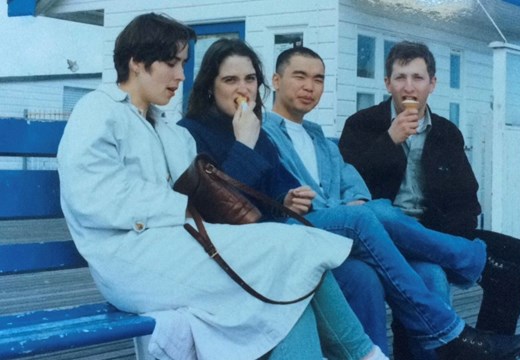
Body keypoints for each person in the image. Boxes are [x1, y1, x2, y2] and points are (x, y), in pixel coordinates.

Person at [57, 13, 384, 360]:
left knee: (293, 286)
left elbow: (214, 201)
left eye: (183, 63)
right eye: (171, 63)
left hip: (181, 248)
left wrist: (243, 146)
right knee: (295, 251)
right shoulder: (98, 112)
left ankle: (364, 355)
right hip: (128, 262)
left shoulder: (171, 131)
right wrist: (179, 204)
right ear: (137, 62)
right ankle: (366, 355)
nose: (181, 75)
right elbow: (92, 199)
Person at [179, 38, 520, 360]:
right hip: (281, 243)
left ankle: (444, 337)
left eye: (318, 79)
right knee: (374, 215)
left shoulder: (317, 136)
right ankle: (461, 306)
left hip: (367, 231)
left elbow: (349, 180)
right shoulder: (251, 130)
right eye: (230, 80)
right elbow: (228, 203)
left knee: (423, 272)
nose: (309, 86)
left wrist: (343, 200)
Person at [339, 40, 520, 340]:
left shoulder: (446, 132)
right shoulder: (361, 125)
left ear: (432, 84)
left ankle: (491, 342)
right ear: (387, 83)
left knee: (517, 253)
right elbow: (347, 185)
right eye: (400, 77)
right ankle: (476, 266)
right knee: (427, 270)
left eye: (417, 78)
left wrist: (444, 241)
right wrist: (389, 141)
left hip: (436, 233)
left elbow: (467, 199)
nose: (409, 87)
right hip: (384, 234)